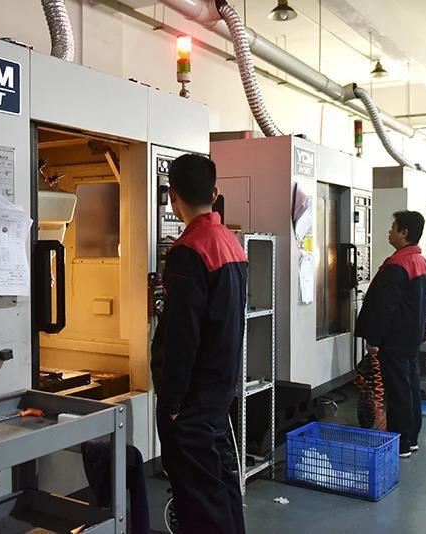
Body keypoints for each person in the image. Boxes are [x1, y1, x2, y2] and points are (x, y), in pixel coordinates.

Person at [151, 154, 247, 534]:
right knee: (219, 486)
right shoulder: (230, 243)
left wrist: (173, 403)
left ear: (172, 196)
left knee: (198, 499)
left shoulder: (188, 250)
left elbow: (182, 336)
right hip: (218, 391)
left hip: (191, 400)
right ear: (215, 192)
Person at [355, 211, 426, 459]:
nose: (389, 232)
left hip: (395, 338)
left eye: (393, 227)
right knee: (410, 386)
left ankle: (401, 444)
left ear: (404, 232)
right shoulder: (420, 261)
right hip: (411, 336)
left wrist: (373, 339)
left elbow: (384, 308)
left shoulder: (398, 264)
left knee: (398, 390)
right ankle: (411, 437)